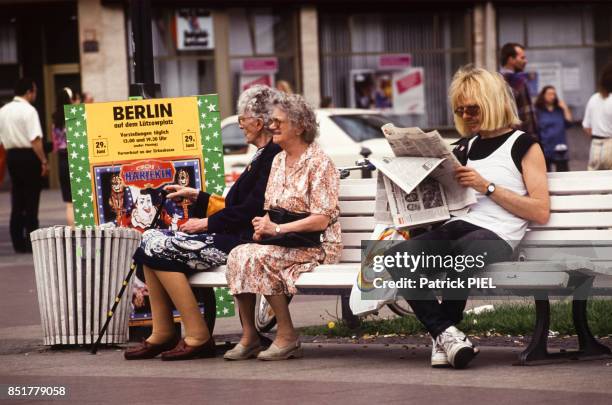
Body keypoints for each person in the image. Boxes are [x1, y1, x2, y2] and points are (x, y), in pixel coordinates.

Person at [387, 66, 549, 369]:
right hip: (459, 227)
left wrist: (485, 186)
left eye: (472, 108)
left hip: (499, 235)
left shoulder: (524, 145)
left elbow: (539, 210)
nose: (467, 115)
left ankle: (443, 335)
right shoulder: (465, 147)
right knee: (396, 258)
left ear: (491, 102)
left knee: (464, 252)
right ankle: (448, 334)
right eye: (461, 110)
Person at [124, 85, 281, 361]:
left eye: (242, 119)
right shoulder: (262, 155)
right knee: (149, 240)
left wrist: (205, 224)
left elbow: (252, 209)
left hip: (244, 240)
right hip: (235, 234)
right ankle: (163, 332)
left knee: (157, 246)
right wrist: (197, 195)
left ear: (258, 122)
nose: (240, 124)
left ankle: (197, 335)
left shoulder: (271, 156)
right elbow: (238, 206)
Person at [225, 93, 342, 361]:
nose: (272, 126)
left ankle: (287, 336)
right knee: (239, 255)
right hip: (286, 240)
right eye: (270, 121)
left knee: (261, 257)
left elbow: (321, 219)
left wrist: (277, 230)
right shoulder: (278, 160)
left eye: (278, 121)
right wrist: (263, 226)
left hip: (317, 243)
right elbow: (271, 207)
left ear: (300, 126)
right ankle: (250, 336)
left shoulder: (319, 163)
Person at [0, 78, 48, 253]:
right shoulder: (29, 111)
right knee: (31, 201)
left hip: (12, 155)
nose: (35, 94)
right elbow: (35, 140)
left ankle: (17, 242)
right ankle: (31, 242)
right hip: (29, 157)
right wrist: (43, 161)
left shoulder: (3, 111)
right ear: (29, 92)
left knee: (18, 200)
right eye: (34, 91)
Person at [500, 42, 538, 139]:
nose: (526, 61)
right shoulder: (519, 81)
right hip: (521, 139)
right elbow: (526, 116)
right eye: (522, 58)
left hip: (508, 139)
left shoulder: (495, 80)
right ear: (511, 59)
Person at [534, 86, 573, 172]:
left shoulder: (559, 110)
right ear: (543, 95)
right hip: (545, 148)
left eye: (554, 94)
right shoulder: (538, 111)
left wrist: (565, 108)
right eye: (549, 94)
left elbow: (569, 124)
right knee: (547, 176)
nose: (552, 96)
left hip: (560, 149)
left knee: (563, 176)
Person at [582, 63, 612, 170]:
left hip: (595, 147)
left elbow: (586, 127)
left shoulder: (593, 98)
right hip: (610, 145)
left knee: (593, 182)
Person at [52, 87, 75, 225]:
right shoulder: (73, 116)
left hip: (61, 159)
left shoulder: (55, 119)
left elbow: (55, 144)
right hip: (75, 156)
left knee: (69, 202)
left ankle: (72, 229)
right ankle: (83, 226)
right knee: (81, 196)